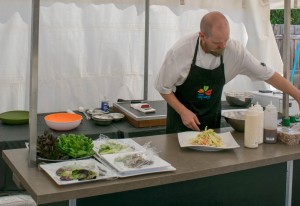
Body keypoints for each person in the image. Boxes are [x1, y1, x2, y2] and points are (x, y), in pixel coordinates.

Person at [155, 11, 300, 134]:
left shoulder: (234, 51)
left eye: (226, 40)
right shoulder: (180, 52)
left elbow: (268, 74)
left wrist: (296, 94)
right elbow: (163, 87)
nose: (223, 46)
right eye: (217, 43)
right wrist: (183, 111)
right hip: (180, 124)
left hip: (212, 125)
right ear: (202, 36)